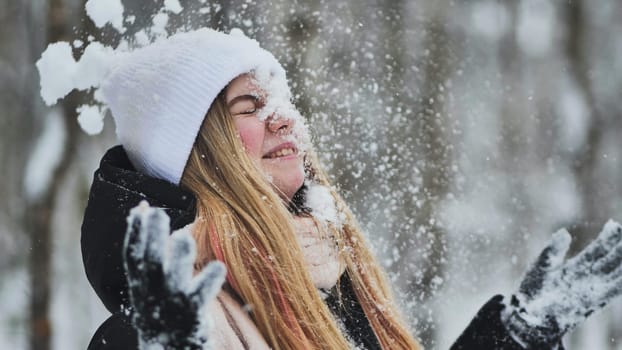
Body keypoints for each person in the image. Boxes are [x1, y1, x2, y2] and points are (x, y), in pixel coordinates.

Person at [79, 28, 622, 350]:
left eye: (281, 102)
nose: (282, 119)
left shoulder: (325, 273)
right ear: (199, 151)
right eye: (250, 106)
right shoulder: (155, 324)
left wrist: (512, 336)